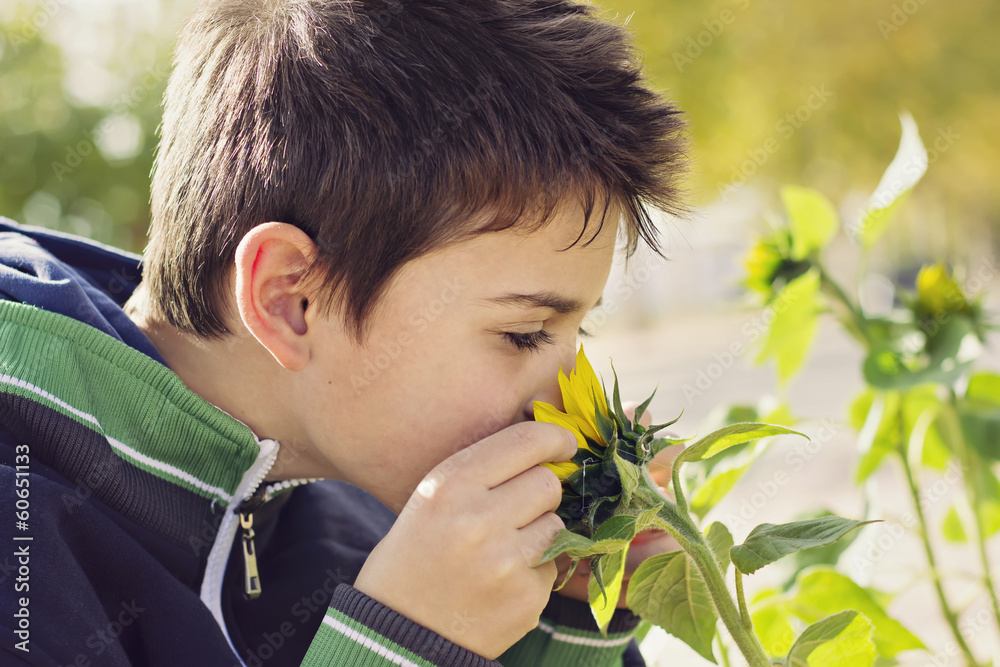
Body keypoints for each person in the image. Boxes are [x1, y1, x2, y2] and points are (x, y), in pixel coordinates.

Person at [0, 0, 688, 664]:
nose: (570, 396)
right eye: (524, 333)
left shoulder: (368, 504)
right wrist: (397, 648)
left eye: (580, 327)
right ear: (291, 299)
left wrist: (561, 623)